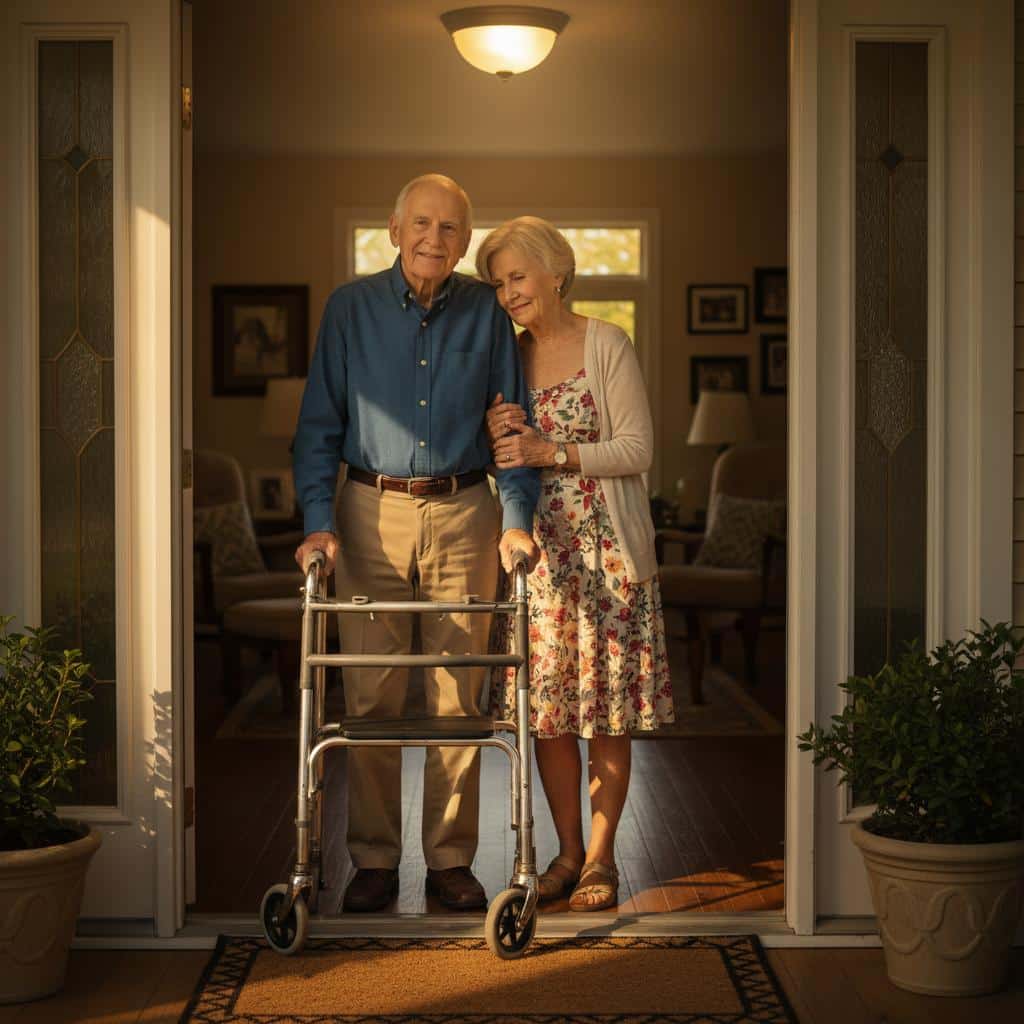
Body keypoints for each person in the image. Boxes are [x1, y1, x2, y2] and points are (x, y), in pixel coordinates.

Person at [292, 175, 540, 913]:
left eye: (452, 229)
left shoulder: (486, 314)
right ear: (395, 229)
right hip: (369, 512)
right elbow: (317, 430)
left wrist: (518, 518)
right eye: (423, 224)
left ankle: (449, 861)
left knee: (457, 692)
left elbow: (511, 425)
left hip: (467, 511)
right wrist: (317, 521)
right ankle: (371, 860)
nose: (436, 239)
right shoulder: (348, 309)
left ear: (466, 243)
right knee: (369, 691)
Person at [476, 216, 673, 912]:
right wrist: (497, 438)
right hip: (538, 559)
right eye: (498, 283)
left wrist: (550, 452)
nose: (507, 293)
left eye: (517, 276)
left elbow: (638, 449)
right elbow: (497, 459)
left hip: (608, 559)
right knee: (550, 716)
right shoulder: (506, 354)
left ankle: (600, 856)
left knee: (608, 715)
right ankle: (563, 853)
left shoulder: (606, 342)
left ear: (556, 271)